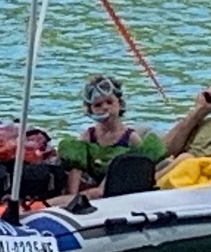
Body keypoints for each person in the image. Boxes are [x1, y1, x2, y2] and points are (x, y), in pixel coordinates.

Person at [52, 75, 167, 203]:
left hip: (116, 185)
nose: (105, 108)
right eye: (98, 105)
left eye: (109, 102)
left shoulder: (129, 137)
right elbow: (76, 168)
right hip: (92, 184)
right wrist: (72, 195)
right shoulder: (89, 135)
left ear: (120, 104)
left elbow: (139, 167)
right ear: (90, 111)